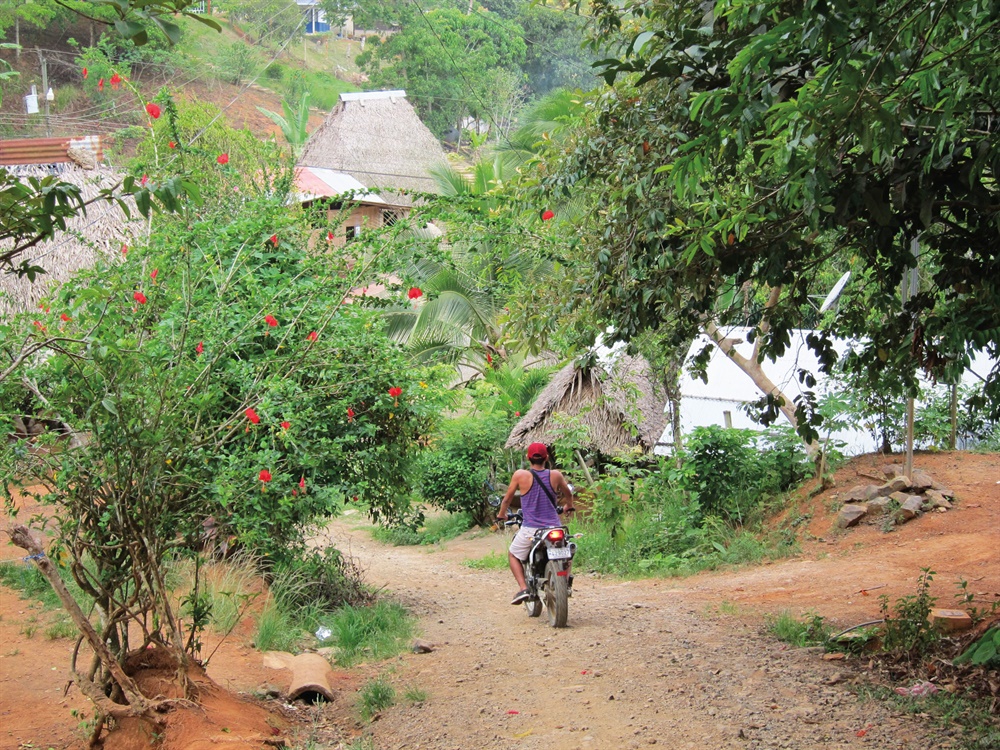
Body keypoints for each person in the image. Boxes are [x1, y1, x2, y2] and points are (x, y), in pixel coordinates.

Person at [497, 442, 575, 605]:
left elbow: (507, 499)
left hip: (532, 529)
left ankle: (523, 588)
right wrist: (569, 506)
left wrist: (502, 514)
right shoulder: (555, 475)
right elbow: (568, 493)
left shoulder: (520, 475)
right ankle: (565, 580)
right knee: (566, 550)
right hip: (555, 527)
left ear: (528, 458)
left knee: (513, 554)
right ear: (546, 458)